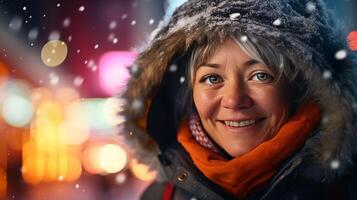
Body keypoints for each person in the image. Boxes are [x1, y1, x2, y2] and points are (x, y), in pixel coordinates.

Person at [119, 0, 357, 199]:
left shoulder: (345, 188)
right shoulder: (161, 196)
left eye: (260, 75)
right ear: (188, 92)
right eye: (212, 78)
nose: (233, 100)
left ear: (302, 86)